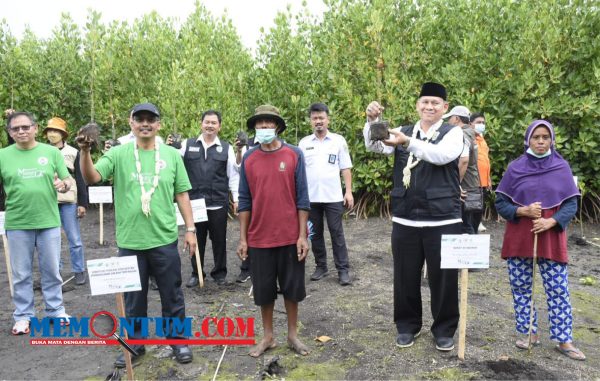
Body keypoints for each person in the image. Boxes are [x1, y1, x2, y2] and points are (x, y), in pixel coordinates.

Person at [78, 103, 197, 367]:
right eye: (139, 119)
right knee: (133, 298)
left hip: (164, 239)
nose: (145, 124)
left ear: (158, 124)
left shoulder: (171, 155)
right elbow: (92, 177)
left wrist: (190, 229)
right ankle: (135, 344)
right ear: (131, 123)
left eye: (150, 120)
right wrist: (85, 151)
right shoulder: (119, 154)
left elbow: (182, 194)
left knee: (172, 293)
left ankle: (178, 341)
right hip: (130, 241)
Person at [364, 82, 463, 351]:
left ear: (444, 107)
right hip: (406, 218)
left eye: (435, 103)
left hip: (443, 218)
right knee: (405, 276)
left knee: (443, 278)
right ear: (417, 105)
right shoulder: (403, 131)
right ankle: (407, 326)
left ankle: (444, 330)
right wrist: (372, 121)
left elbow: (441, 156)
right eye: (425, 102)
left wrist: (407, 142)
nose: (429, 106)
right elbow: (376, 147)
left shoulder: (454, 133)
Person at [495, 119, 585, 361]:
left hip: (550, 239)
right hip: (519, 239)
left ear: (552, 139)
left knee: (558, 289)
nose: (541, 141)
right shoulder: (515, 168)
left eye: (546, 137)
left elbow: (571, 203)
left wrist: (551, 221)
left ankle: (564, 339)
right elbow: (501, 203)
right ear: (528, 140)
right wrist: (522, 211)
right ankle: (528, 333)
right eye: (537, 137)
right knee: (522, 288)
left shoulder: (561, 167)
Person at [237, 104, 311, 357]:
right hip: (259, 237)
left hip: (290, 236)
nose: (265, 128)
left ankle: (292, 335)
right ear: (255, 128)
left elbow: (303, 198)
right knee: (264, 290)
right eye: (260, 124)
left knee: (292, 288)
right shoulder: (249, 158)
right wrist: (243, 239)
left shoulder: (294, 154)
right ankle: (268, 336)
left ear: (278, 127)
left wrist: (302, 235)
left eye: (269, 124)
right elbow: (244, 200)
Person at [0, 111, 73, 335]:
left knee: (51, 270)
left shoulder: (50, 152)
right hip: (17, 222)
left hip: (48, 221)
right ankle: (23, 315)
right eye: (16, 129)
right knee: (21, 273)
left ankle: (55, 311)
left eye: (25, 127)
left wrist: (64, 185)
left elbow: (68, 180)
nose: (21, 131)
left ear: (35, 127)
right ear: (10, 133)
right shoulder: (3, 155)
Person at [176, 110, 239, 287]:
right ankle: (196, 273)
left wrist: (236, 198)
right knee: (197, 239)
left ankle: (220, 273)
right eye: (207, 122)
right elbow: (174, 165)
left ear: (219, 126)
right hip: (194, 203)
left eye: (214, 123)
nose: (210, 125)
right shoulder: (186, 145)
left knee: (219, 239)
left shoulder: (226, 148)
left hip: (217, 203)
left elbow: (232, 175)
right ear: (201, 123)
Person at [299, 102, 353, 286]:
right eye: (315, 118)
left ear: (327, 119)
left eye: (321, 118)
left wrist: (349, 191)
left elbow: (345, 168)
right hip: (311, 198)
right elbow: (299, 172)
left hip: (333, 197)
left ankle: (343, 270)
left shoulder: (338, 141)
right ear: (311, 121)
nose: (318, 121)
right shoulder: (304, 143)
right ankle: (321, 266)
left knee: (337, 233)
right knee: (315, 234)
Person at [43, 117, 89, 285]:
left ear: (63, 134)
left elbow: (81, 177)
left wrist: (83, 203)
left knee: (74, 238)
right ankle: (57, 271)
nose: (52, 134)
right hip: (48, 201)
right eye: (49, 130)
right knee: (52, 239)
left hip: (69, 201)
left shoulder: (73, 152)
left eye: (55, 131)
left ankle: (79, 270)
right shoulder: (41, 151)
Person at [444, 105, 480, 234]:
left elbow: (464, 161)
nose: (448, 122)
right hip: (471, 182)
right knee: (468, 222)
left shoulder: (462, 134)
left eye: (450, 118)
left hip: (465, 185)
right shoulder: (470, 132)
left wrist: (455, 184)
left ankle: (469, 253)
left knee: (465, 223)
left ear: (456, 119)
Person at [470, 112, 491, 232]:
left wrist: (489, 179)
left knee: (480, 206)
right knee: (472, 207)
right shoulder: (469, 138)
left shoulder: (482, 139)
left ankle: (477, 225)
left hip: (483, 181)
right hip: (473, 180)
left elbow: (486, 160)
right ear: (470, 124)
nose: (481, 125)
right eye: (478, 122)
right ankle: (472, 230)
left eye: (483, 123)